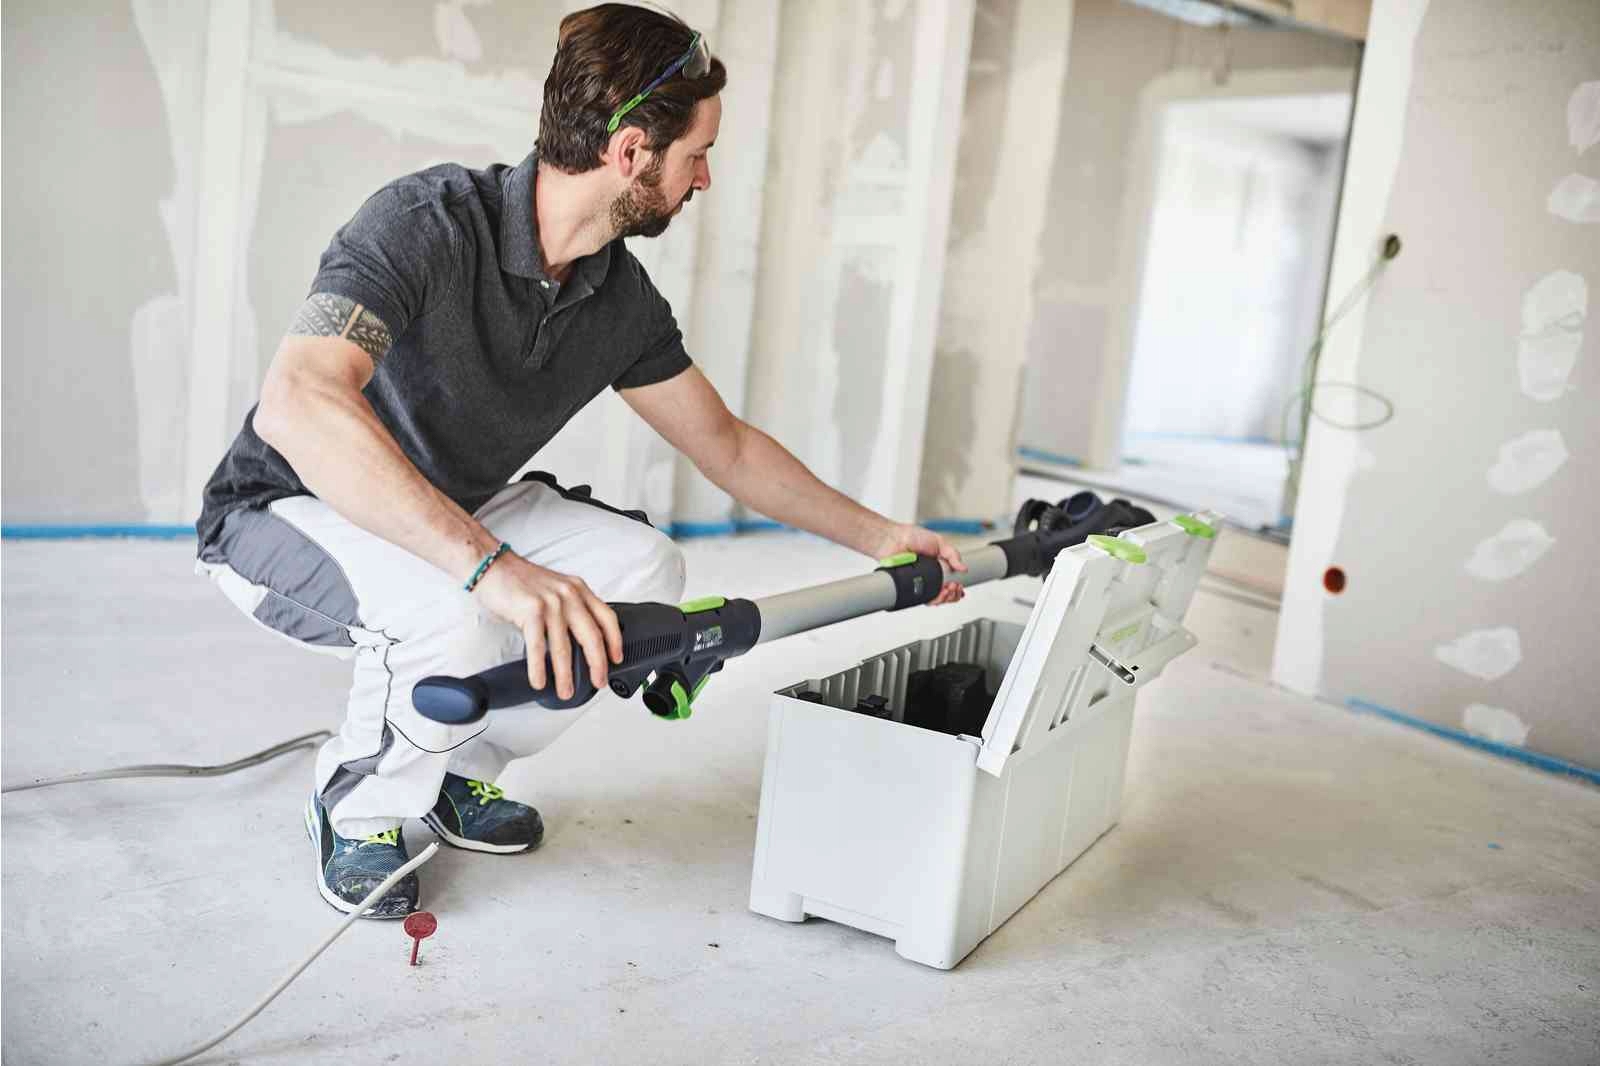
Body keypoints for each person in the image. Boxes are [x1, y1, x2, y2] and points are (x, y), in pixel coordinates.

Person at [195, 2, 967, 918]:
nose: (705, 178)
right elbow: (297, 401)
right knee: (458, 611)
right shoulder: (426, 224)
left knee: (643, 575)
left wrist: (882, 537)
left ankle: (455, 770)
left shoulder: (617, 299)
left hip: (452, 507)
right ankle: (356, 805)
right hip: (279, 509)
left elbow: (725, 446)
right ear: (632, 151)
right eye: (698, 155)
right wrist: (491, 567)